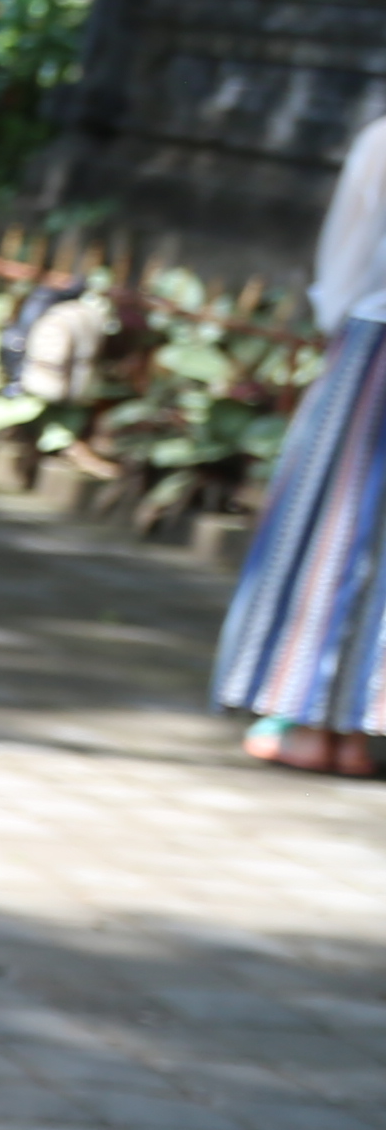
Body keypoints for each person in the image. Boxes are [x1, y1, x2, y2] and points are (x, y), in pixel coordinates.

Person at [217, 106, 386, 776]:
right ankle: (360, 726)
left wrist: (335, 327)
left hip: (375, 346)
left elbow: (349, 251)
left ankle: (305, 713)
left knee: (332, 528)